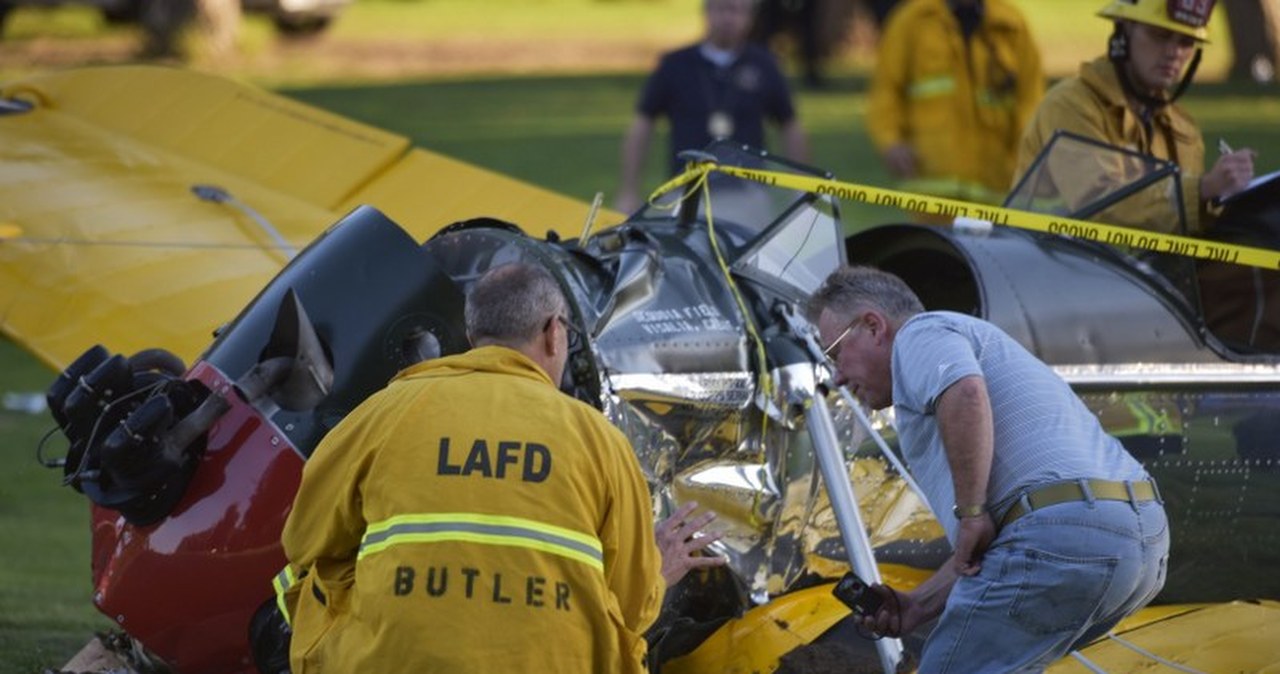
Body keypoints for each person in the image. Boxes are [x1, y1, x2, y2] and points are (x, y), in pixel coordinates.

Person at [279, 262, 724, 673]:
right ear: (554, 333)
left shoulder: (385, 412)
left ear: (474, 335)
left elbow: (301, 540)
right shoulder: (599, 440)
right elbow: (632, 609)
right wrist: (656, 570)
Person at [807, 265, 1169, 672]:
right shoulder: (971, 341)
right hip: (1138, 548)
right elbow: (1001, 538)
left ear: (873, 326)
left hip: (1064, 537)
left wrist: (971, 510)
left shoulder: (919, 334)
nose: (836, 376)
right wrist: (918, 605)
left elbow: (965, 391)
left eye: (834, 353)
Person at [1015, 0, 1254, 235]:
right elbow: (1100, 206)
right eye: (1159, 35)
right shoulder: (1070, 106)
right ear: (1124, 28)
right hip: (1049, 266)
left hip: (1130, 273)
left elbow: (1178, 230)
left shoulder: (1182, 129)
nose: (1174, 52)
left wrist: (1225, 200)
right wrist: (1202, 189)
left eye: (1186, 41)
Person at [616, 0, 810, 213]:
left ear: (751, 17)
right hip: (686, 189)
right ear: (707, 12)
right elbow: (643, 124)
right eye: (722, 8)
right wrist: (629, 190)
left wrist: (799, 188)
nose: (729, 18)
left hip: (746, 192)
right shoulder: (675, 64)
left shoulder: (764, 64)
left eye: (738, 11)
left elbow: (789, 124)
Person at [867, 0, 1044, 211]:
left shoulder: (1011, 24)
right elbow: (886, 90)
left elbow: (1030, 98)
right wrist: (891, 141)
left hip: (996, 189)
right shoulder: (912, 21)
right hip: (933, 189)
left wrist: (1029, 152)